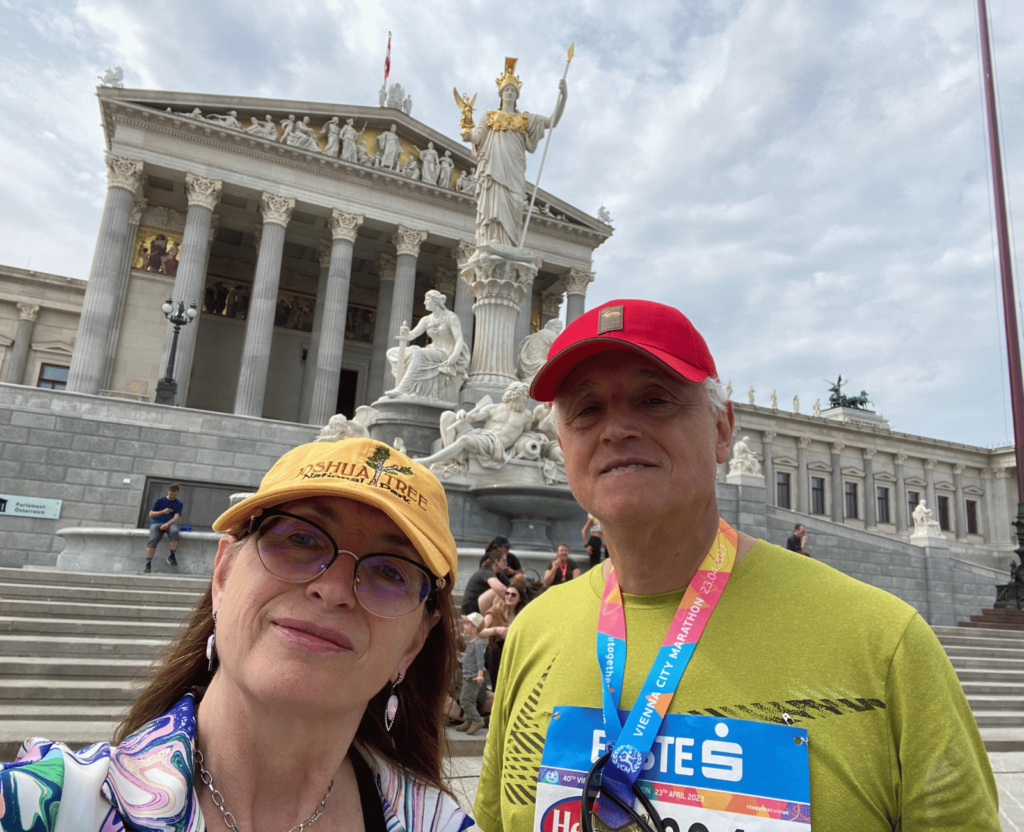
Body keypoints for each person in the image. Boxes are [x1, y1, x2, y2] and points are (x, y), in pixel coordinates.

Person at [475, 299, 999, 832]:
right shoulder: (532, 632)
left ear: (723, 430)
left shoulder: (885, 644)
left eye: (654, 399)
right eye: (586, 410)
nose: (616, 429)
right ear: (561, 444)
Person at [1, 438, 470, 832]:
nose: (332, 590)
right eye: (301, 539)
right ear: (223, 573)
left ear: (413, 643)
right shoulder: (46, 804)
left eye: (389, 571)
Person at [464, 58, 567, 249]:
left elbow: (552, 121)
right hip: (494, 169)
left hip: (514, 171)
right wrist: (470, 136)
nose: (510, 93)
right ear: (501, 94)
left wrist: (564, 96)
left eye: (513, 91)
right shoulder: (490, 116)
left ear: (517, 96)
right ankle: (494, 239)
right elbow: (479, 137)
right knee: (494, 205)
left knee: (515, 203)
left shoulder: (525, 119)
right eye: (507, 90)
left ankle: (510, 245)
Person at [384, 290, 470, 401]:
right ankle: (409, 387)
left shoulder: (451, 318)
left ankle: (402, 389)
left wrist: (455, 354)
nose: (424, 302)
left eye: (427, 300)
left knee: (419, 353)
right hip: (432, 351)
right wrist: (406, 333)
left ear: (436, 301)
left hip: (446, 353)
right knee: (392, 352)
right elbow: (412, 335)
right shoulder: (426, 320)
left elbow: (459, 339)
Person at [480, 584, 526, 685]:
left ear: (519, 599)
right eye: (507, 593)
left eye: (513, 595)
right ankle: (496, 690)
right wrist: (495, 630)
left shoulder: (522, 614)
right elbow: (479, 632)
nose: (509, 596)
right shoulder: (496, 610)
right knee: (494, 651)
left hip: (513, 649)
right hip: (496, 648)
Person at [457, 613, 487, 735]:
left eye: (467, 624)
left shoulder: (478, 644)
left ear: (474, 629)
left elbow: (480, 660)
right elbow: (470, 657)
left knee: (465, 701)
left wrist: (480, 675)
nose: (464, 626)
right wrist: (460, 655)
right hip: (467, 676)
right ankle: (469, 721)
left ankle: (477, 720)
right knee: (470, 700)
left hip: (473, 678)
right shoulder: (471, 642)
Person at [144, 483, 183, 572]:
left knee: (174, 532)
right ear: (168, 491)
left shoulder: (179, 503)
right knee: (153, 539)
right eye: (171, 494)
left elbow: (176, 517)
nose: (172, 495)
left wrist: (167, 524)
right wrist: (163, 512)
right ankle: (148, 563)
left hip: (169, 523)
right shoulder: (160, 501)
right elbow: (151, 514)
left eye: (174, 494)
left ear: (177, 493)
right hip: (156, 522)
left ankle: (172, 555)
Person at [461, 550, 510, 616]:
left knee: (509, 591)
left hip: (480, 607)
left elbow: (512, 587)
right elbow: (500, 588)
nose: (506, 563)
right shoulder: (486, 572)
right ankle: (493, 620)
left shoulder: (500, 575)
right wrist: (512, 598)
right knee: (496, 591)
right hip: (470, 609)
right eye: (504, 560)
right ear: (496, 561)